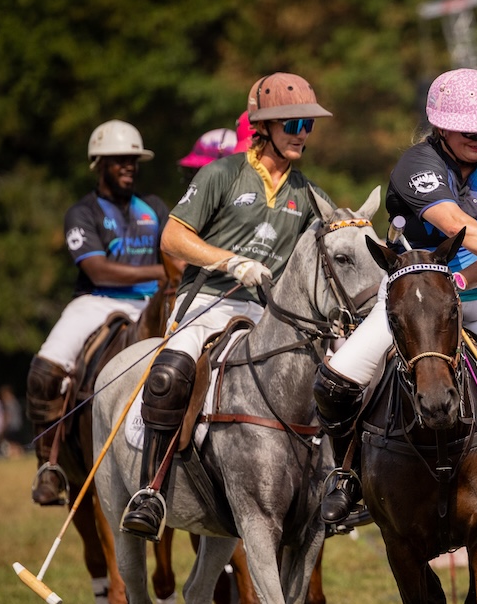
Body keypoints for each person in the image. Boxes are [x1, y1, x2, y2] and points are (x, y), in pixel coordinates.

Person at [316, 68, 477, 544]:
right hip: (416, 308)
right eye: (470, 128)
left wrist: (460, 278)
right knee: (335, 384)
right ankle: (346, 477)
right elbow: (455, 223)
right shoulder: (417, 164)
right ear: (442, 126)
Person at [120, 73, 334, 539]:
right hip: (208, 303)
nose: (301, 132)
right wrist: (231, 263)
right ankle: (151, 491)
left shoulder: (307, 192)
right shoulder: (222, 173)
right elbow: (173, 237)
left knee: (333, 376)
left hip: (269, 315)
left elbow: (336, 235)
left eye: (308, 125)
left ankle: (336, 485)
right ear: (265, 127)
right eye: (292, 123)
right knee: (168, 372)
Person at [27, 120, 170, 505]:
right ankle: (49, 467)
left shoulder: (154, 208)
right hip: (98, 301)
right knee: (45, 368)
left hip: (152, 304)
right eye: (119, 160)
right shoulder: (82, 212)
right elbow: (97, 269)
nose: (129, 166)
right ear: (99, 164)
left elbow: (176, 254)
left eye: (133, 160)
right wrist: (162, 271)